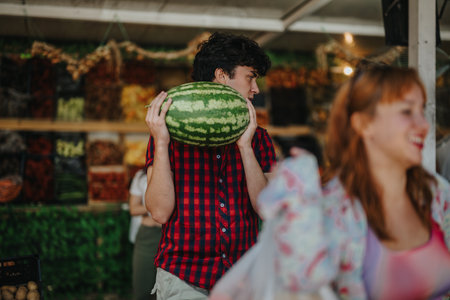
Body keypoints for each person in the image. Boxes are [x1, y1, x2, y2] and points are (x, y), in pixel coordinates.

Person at [213, 64, 450, 299]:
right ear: (363, 124)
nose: (423, 125)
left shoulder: (436, 195)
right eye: (407, 112)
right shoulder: (332, 212)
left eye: (422, 111)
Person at [144, 32, 276, 299]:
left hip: (244, 276)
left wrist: (245, 147)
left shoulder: (259, 138)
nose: (256, 89)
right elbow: (159, 212)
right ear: (221, 76)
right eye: (250, 77)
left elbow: (268, 210)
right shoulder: (168, 137)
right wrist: (160, 142)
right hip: (184, 277)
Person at [128, 169, 162, 300]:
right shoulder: (140, 176)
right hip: (148, 235)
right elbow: (133, 208)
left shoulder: (182, 169)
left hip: (173, 235)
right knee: (143, 286)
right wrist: (156, 207)